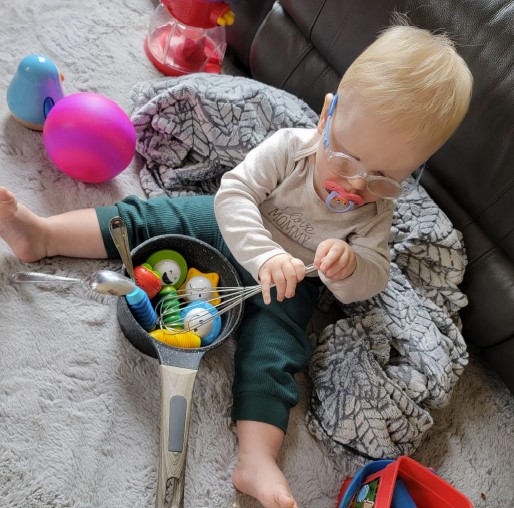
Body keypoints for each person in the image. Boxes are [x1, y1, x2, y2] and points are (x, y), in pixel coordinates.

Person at [0, 22, 472, 508]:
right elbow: (235, 193)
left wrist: (350, 267)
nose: (354, 186)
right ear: (327, 116)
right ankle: (43, 234)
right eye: (347, 160)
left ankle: (257, 459)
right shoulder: (292, 147)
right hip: (233, 229)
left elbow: (372, 278)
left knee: (277, 354)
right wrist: (264, 254)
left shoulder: (377, 210)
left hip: (290, 282)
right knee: (149, 218)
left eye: (384, 177)